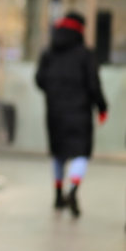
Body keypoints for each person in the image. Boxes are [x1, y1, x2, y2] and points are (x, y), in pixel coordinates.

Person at [35, 11, 108, 218]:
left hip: (55, 111)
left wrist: (54, 92)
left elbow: (39, 79)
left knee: (58, 153)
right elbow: (94, 85)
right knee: (81, 153)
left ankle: (58, 194)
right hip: (80, 112)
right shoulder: (85, 54)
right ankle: (73, 189)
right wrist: (102, 108)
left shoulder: (49, 52)